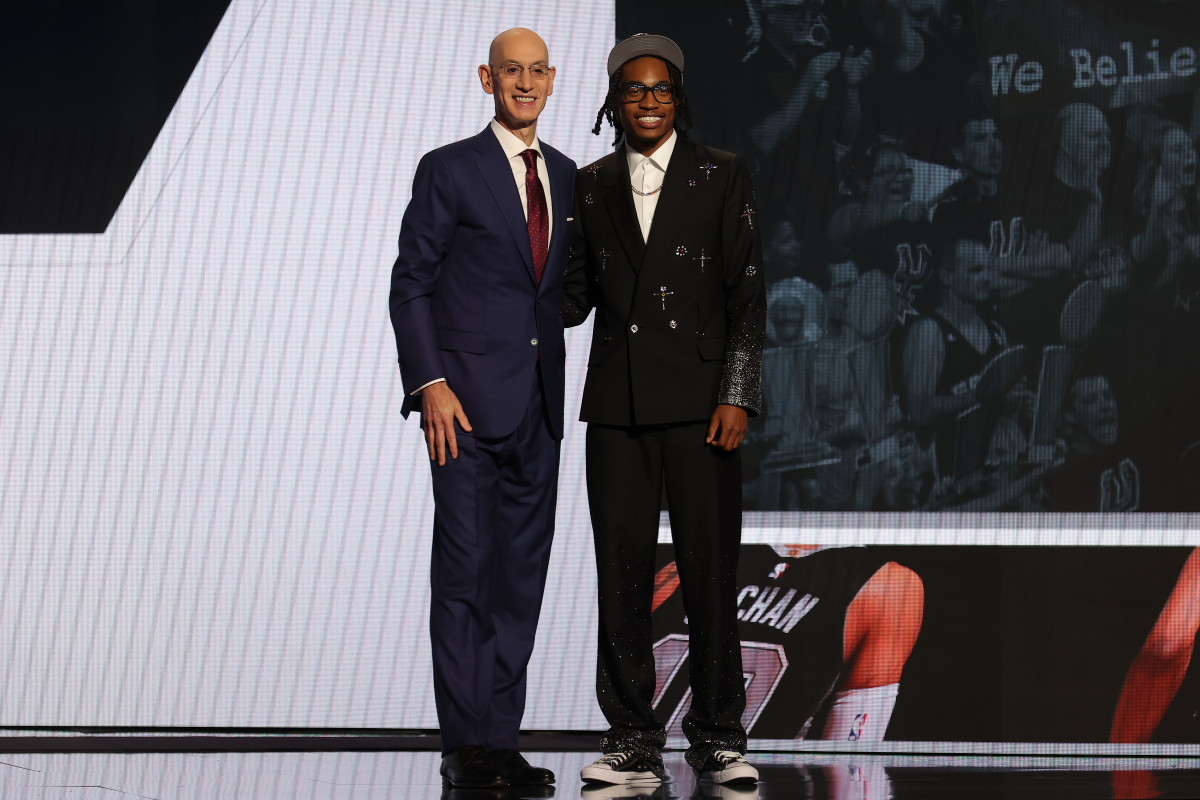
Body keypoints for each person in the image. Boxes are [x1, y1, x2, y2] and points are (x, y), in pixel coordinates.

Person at [563, 33, 767, 787]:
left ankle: (717, 734)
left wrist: (737, 393)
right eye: (634, 89)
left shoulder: (722, 173)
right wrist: (504, 271)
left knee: (710, 572)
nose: (648, 101)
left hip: (701, 407)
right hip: (617, 409)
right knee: (621, 577)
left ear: (679, 97)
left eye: (661, 89)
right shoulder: (589, 183)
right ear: (613, 101)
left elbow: (748, 294)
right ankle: (632, 740)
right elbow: (572, 297)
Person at [388, 28, 574, 790]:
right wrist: (428, 383)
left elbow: (560, 291)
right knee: (465, 576)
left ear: (553, 80)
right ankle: (467, 744)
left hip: (539, 409)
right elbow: (411, 284)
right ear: (486, 78)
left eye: (535, 72)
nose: (523, 83)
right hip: (460, 408)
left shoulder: (565, 174)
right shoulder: (450, 168)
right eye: (510, 71)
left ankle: (501, 740)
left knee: (520, 580)